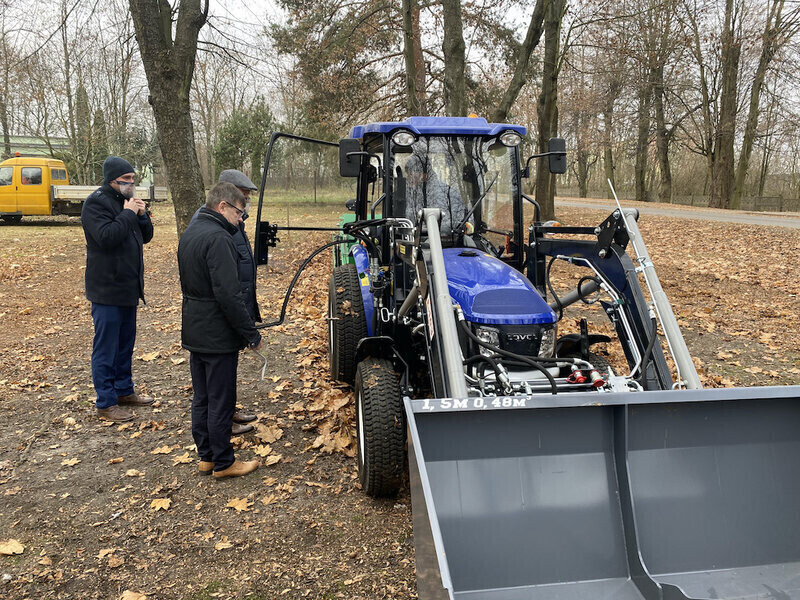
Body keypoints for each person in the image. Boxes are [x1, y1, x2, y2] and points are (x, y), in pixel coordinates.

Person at [178, 182, 261, 479]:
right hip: (217, 333)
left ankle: (207, 457)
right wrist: (250, 333)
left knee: (202, 396)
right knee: (220, 398)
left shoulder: (191, 232)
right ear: (222, 206)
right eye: (240, 212)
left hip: (195, 327)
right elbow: (229, 293)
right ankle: (224, 461)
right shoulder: (219, 239)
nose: (242, 219)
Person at [81, 156, 154, 423]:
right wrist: (128, 213)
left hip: (127, 287)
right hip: (106, 289)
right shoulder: (96, 203)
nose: (131, 184)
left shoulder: (129, 204)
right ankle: (106, 402)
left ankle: (124, 390)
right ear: (112, 180)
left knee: (125, 344)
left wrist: (143, 216)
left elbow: (145, 236)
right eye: (126, 180)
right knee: (106, 347)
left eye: (134, 179)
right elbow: (107, 238)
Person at [190, 169, 260, 435]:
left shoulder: (231, 222)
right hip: (218, 316)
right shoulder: (215, 227)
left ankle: (228, 412)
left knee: (225, 377)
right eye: (242, 199)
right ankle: (222, 428)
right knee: (216, 382)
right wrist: (245, 325)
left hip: (230, 307)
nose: (245, 205)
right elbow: (222, 282)